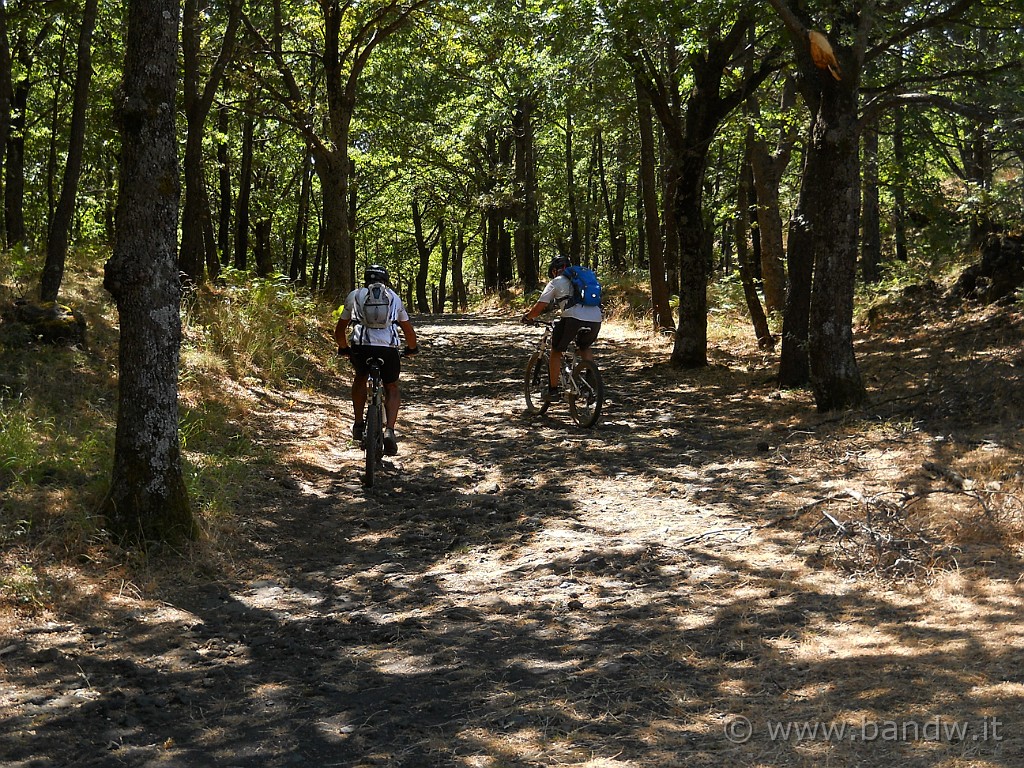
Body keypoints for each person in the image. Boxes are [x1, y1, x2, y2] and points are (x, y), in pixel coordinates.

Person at [335, 265, 418, 456]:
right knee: (392, 386)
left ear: (365, 280)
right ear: (385, 280)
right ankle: (389, 429)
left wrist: (344, 348)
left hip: (361, 348)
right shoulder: (393, 297)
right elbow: (407, 330)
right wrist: (412, 349)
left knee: (360, 378)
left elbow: (340, 330)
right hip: (388, 349)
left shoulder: (355, 295)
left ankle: (358, 424)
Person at [521, 256, 602, 401]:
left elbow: (540, 306)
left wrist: (528, 317)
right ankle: (590, 385)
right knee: (584, 346)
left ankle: (552, 391)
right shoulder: (583, 279)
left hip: (573, 318)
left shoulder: (555, 282)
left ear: (554, 271)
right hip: (596, 318)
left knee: (556, 350)